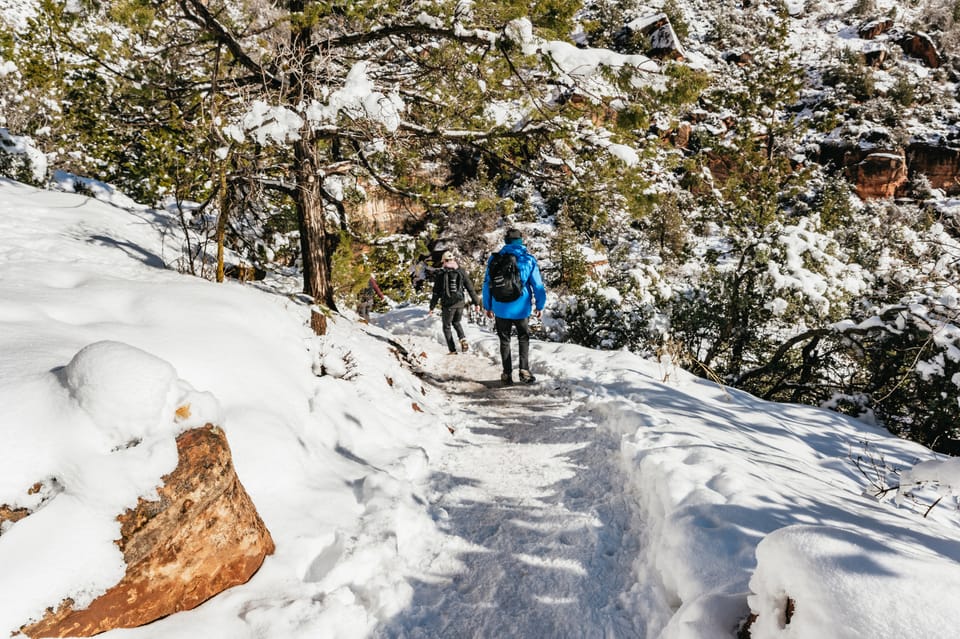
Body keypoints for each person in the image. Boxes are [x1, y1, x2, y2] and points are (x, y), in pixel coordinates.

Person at [482, 227, 547, 385]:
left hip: (500, 307)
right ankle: (524, 371)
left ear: (506, 242)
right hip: (521, 307)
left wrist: (487, 305)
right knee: (523, 338)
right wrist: (540, 305)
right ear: (520, 241)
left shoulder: (495, 259)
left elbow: (487, 284)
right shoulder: (528, 259)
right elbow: (537, 285)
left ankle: (506, 373)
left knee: (504, 340)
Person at [429, 251, 482, 354]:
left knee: (446, 326)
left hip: (448, 304)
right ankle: (463, 339)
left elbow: (436, 292)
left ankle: (452, 350)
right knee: (456, 322)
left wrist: (432, 307)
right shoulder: (461, 271)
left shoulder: (441, 274)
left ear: (443, 261)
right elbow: (470, 288)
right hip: (460, 303)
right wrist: (476, 303)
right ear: (453, 260)